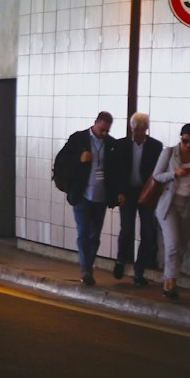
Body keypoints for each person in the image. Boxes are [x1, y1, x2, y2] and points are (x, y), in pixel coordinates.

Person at [53, 111, 119, 286]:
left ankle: (88, 265)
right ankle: (86, 270)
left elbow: (115, 172)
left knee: (94, 235)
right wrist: (79, 159)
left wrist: (116, 194)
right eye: (101, 129)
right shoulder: (79, 139)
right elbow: (61, 160)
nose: (104, 134)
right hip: (82, 194)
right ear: (95, 123)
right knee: (83, 232)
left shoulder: (111, 144)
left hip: (101, 196)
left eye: (107, 131)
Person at [151, 123, 190, 302]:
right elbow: (156, 176)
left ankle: (171, 279)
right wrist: (174, 173)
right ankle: (169, 283)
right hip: (169, 203)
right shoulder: (169, 153)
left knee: (182, 246)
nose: (188, 145)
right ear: (181, 138)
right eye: (186, 141)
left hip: (188, 204)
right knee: (173, 243)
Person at [113, 112, 161, 286]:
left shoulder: (155, 147)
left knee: (147, 232)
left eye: (141, 129)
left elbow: (158, 172)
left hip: (146, 193)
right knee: (126, 229)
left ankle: (139, 272)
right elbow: (118, 171)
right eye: (135, 129)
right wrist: (119, 191)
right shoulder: (122, 145)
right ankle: (120, 260)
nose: (138, 133)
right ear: (131, 128)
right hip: (127, 192)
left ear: (146, 129)